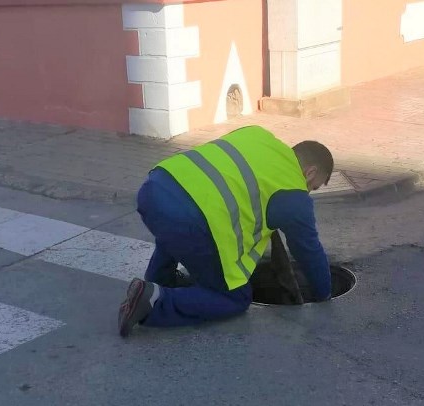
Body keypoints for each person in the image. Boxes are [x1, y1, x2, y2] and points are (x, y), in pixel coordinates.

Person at [118, 125, 333, 337]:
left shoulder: (257, 134)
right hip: (190, 219)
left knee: (177, 226)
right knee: (235, 298)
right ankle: (154, 303)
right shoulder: (294, 192)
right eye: (313, 187)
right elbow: (308, 251)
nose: (309, 192)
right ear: (310, 172)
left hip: (155, 187)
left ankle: (155, 282)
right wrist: (325, 293)